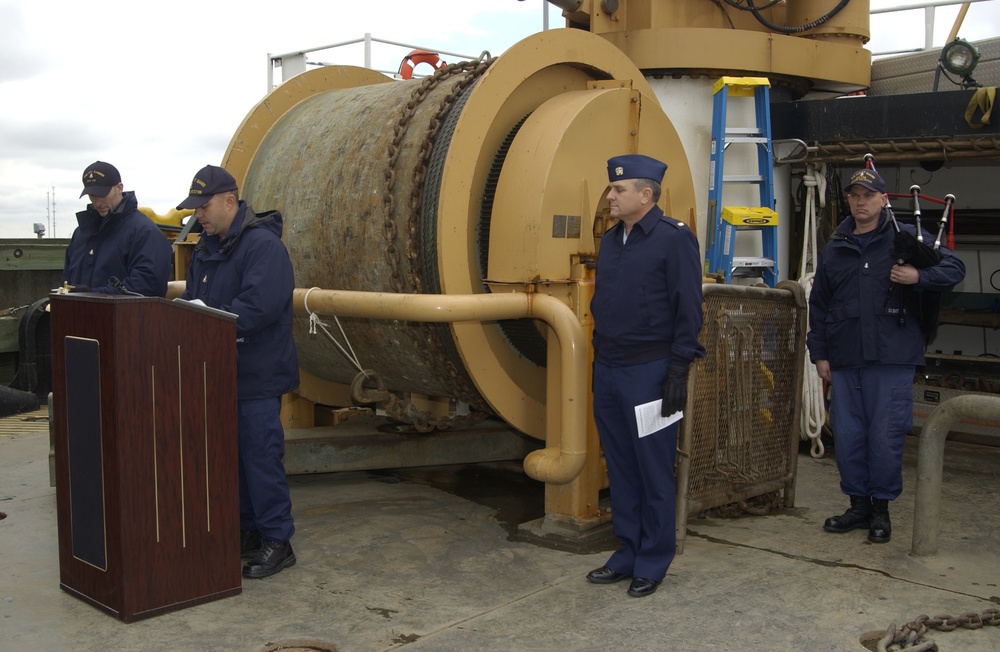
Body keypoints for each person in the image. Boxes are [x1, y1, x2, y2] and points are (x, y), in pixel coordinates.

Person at [807, 168, 965, 544]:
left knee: (885, 436)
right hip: (845, 360)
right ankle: (858, 505)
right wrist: (820, 354)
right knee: (847, 437)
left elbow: (953, 267)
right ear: (848, 200)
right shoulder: (836, 247)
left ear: (883, 200)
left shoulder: (904, 238)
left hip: (891, 358)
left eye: (868, 195)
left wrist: (918, 277)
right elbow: (820, 304)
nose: (860, 201)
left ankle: (881, 510)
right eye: (854, 195)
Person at [586, 154, 706, 598]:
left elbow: (689, 310)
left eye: (618, 191)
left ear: (645, 195)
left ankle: (653, 559)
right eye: (610, 189)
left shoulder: (674, 240)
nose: (610, 196)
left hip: (651, 373)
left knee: (653, 469)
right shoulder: (612, 239)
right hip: (610, 369)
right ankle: (628, 551)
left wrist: (677, 369)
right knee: (620, 467)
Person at [177, 164, 300, 579]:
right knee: (234, 458)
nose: (198, 215)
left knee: (260, 456)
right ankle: (249, 529)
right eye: (194, 209)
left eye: (204, 206)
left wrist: (207, 321)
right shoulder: (206, 249)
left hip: (256, 374)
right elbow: (194, 299)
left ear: (230, 200)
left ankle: (278, 541)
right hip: (220, 372)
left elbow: (258, 308)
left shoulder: (263, 247)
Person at [64, 161, 172, 296]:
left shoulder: (145, 233)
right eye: (92, 195)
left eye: (102, 194)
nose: (97, 202)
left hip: (126, 316)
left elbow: (148, 286)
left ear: (119, 188)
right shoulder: (81, 233)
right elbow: (67, 282)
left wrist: (92, 295)